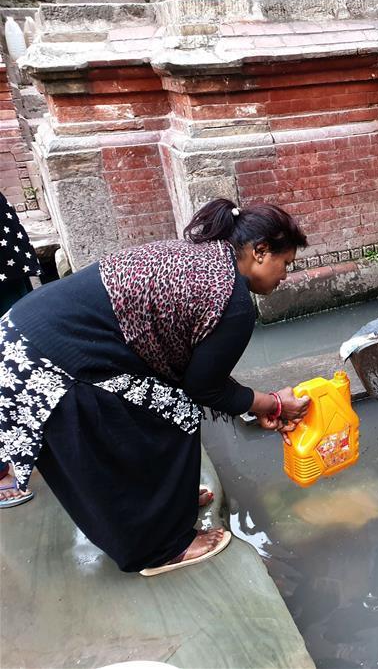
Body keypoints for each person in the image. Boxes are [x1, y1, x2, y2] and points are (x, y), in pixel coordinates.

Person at [0, 198, 310, 576]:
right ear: (260, 252)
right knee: (171, 412)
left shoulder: (207, 258)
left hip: (27, 331)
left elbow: (194, 374)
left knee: (164, 402)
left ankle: (168, 506)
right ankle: (161, 549)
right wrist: (272, 404)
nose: (285, 276)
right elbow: (204, 389)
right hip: (45, 361)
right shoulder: (233, 301)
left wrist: (261, 404)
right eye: (286, 264)